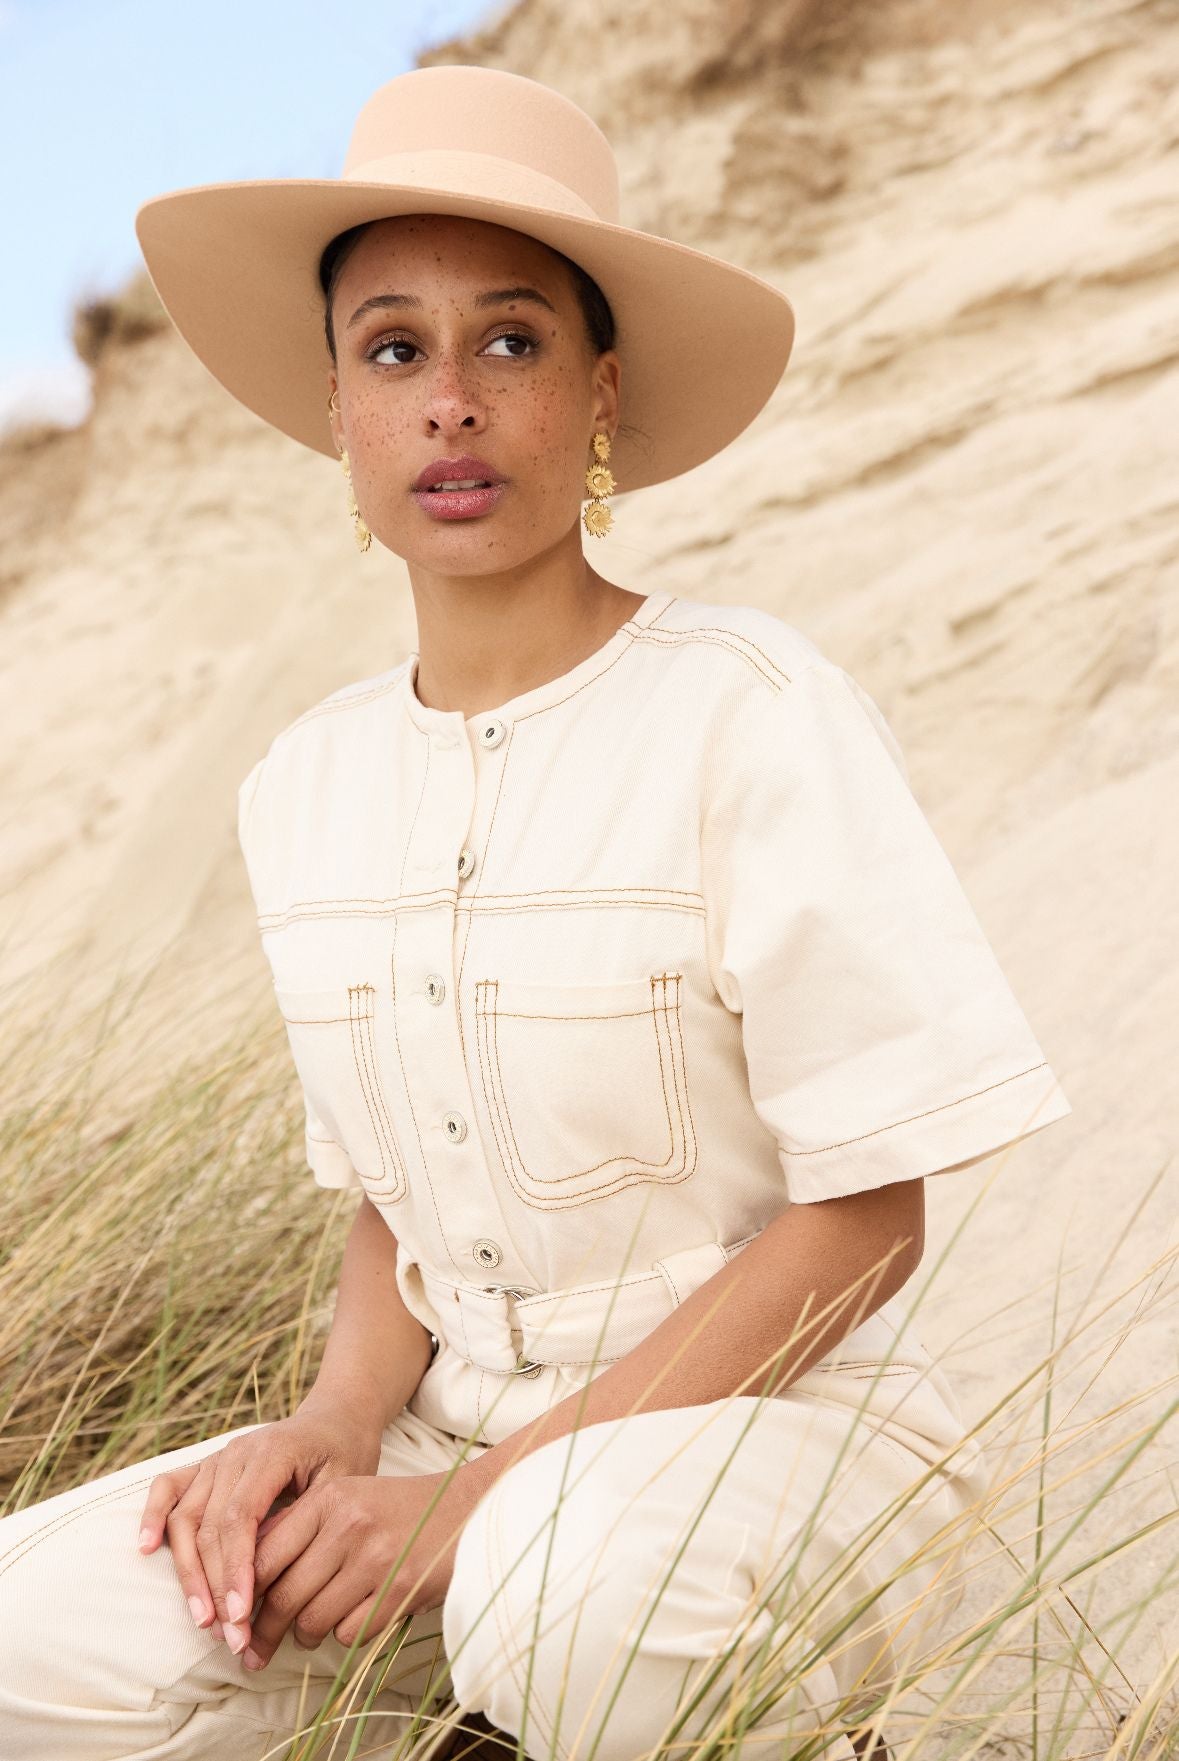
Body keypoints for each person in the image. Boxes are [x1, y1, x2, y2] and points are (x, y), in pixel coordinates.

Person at [0, 63, 1072, 1761]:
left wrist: (481, 1505)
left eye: (510, 340)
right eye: (395, 348)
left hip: (782, 1436)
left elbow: (868, 1219)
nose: (451, 402)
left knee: (558, 1596)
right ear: (337, 406)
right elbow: (391, 1204)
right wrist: (337, 1429)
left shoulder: (750, 711)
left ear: (598, 394)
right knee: (28, 1631)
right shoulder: (305, 785)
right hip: (445, 1446)